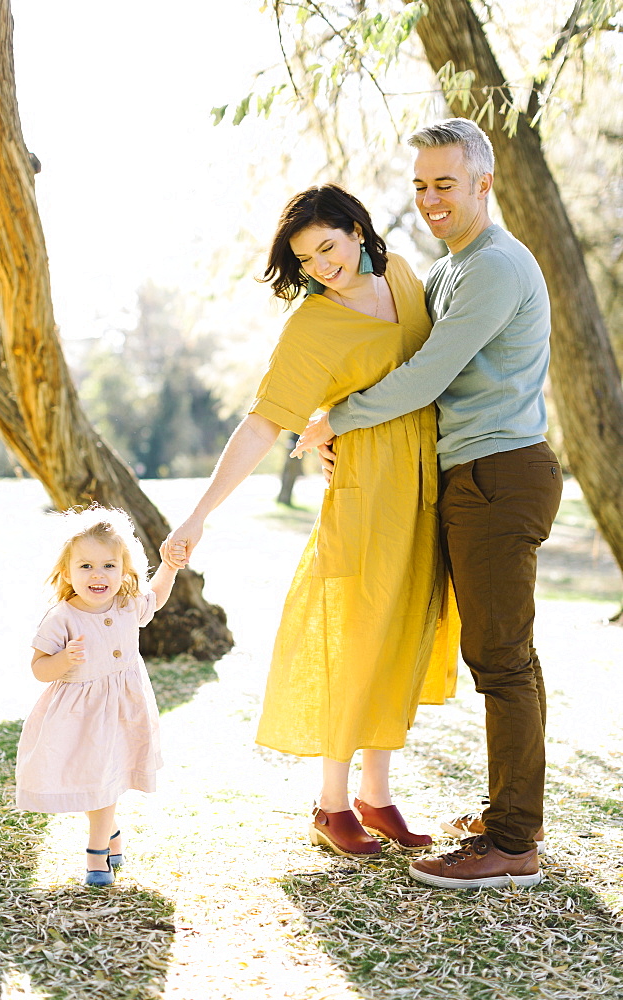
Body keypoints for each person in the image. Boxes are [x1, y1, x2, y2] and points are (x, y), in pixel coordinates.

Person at [293, 119, 563, 888]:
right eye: (419, 185)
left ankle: (514, 842)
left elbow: (427, 378)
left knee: (503, 659)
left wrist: (332, 421)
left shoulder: (494, 268)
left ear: (483, 184)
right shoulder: (449, 269)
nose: (430, 198)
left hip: (498, 475)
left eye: (446, 183)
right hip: (465, 477)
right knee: (494, 653)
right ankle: (506, 810)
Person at [167, 184, 459, 860]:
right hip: (365, 493)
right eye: (306, 259)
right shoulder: (312, 323)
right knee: (355, 635)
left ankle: (377, 797)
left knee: (407, 631)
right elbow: (265, 420)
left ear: (357, 230)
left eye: (328, 247)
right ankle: (332, 805)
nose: (322, 266)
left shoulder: (405, 275)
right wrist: (200, 513)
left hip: (429, 486)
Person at [15, 505, 183, 886]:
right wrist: (62, 659)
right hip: (79, 715)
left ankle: (98, 850)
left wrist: (169, 566)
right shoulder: (62, 617)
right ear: (67, 572)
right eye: (86, 566)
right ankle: (107, 837)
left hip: (123, 708)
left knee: (106, 775)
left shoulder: (125, 604)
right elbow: (39, 669)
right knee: (94, 777)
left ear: (124, 569)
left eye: (109, 565)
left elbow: (154, 598)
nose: (98, 575)